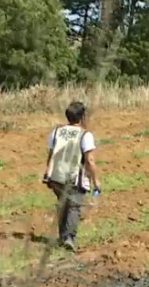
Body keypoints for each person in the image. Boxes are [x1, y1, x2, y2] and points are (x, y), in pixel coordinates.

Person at [42, 101, 101, 252]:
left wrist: (48, 171)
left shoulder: (56, 132)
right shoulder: (85, 135)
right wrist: (95, 181)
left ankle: (62, 237)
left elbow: (51, 153)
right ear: (82, 117)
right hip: (74, 176)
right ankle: (69, 238)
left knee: (62, 204)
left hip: (55, 175)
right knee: (74, 207)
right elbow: (89, 160)